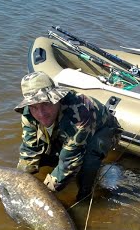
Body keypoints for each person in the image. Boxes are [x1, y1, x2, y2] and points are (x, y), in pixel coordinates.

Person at [15, 71, 121, 201]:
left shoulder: (80, 113)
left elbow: (69, 162)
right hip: (68, 131)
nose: (41, 113)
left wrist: (42, 195)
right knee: (45, 156)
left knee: (88, 157)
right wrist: (20, 183)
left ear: (56, 98)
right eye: (34, 107)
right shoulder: (28, 114)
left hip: (104, 132)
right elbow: (29, 150)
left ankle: (85, 196)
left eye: (46, 104)